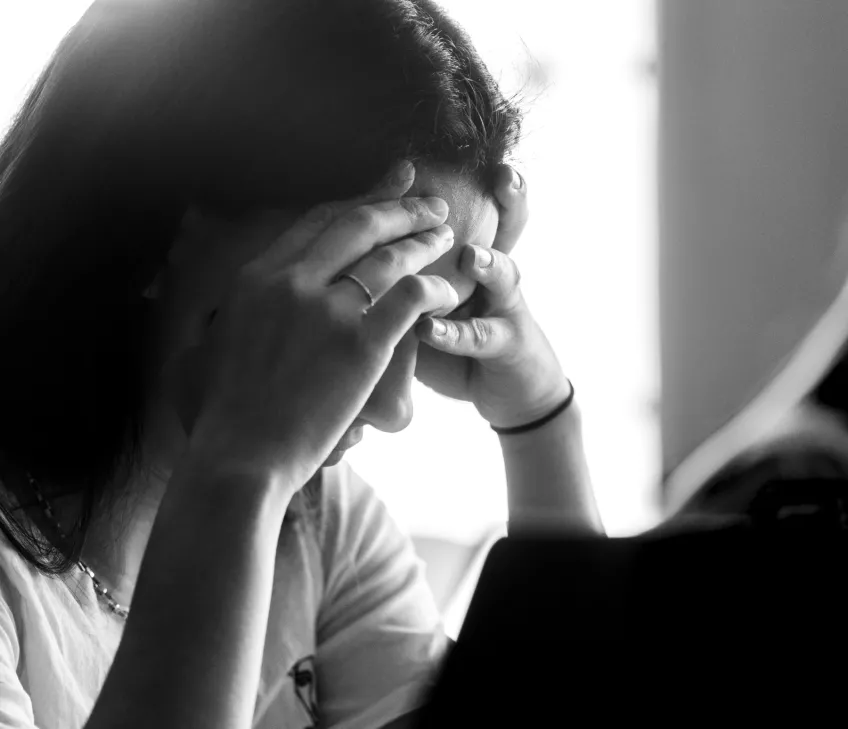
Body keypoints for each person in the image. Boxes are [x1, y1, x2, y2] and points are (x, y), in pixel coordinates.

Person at [0, 1, 603, 728]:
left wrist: (539, 419)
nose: (395, 408)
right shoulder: (261, 492)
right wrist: (239, 473)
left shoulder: (319, 521)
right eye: (357, 293)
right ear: (156, 239)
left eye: (428, 323)